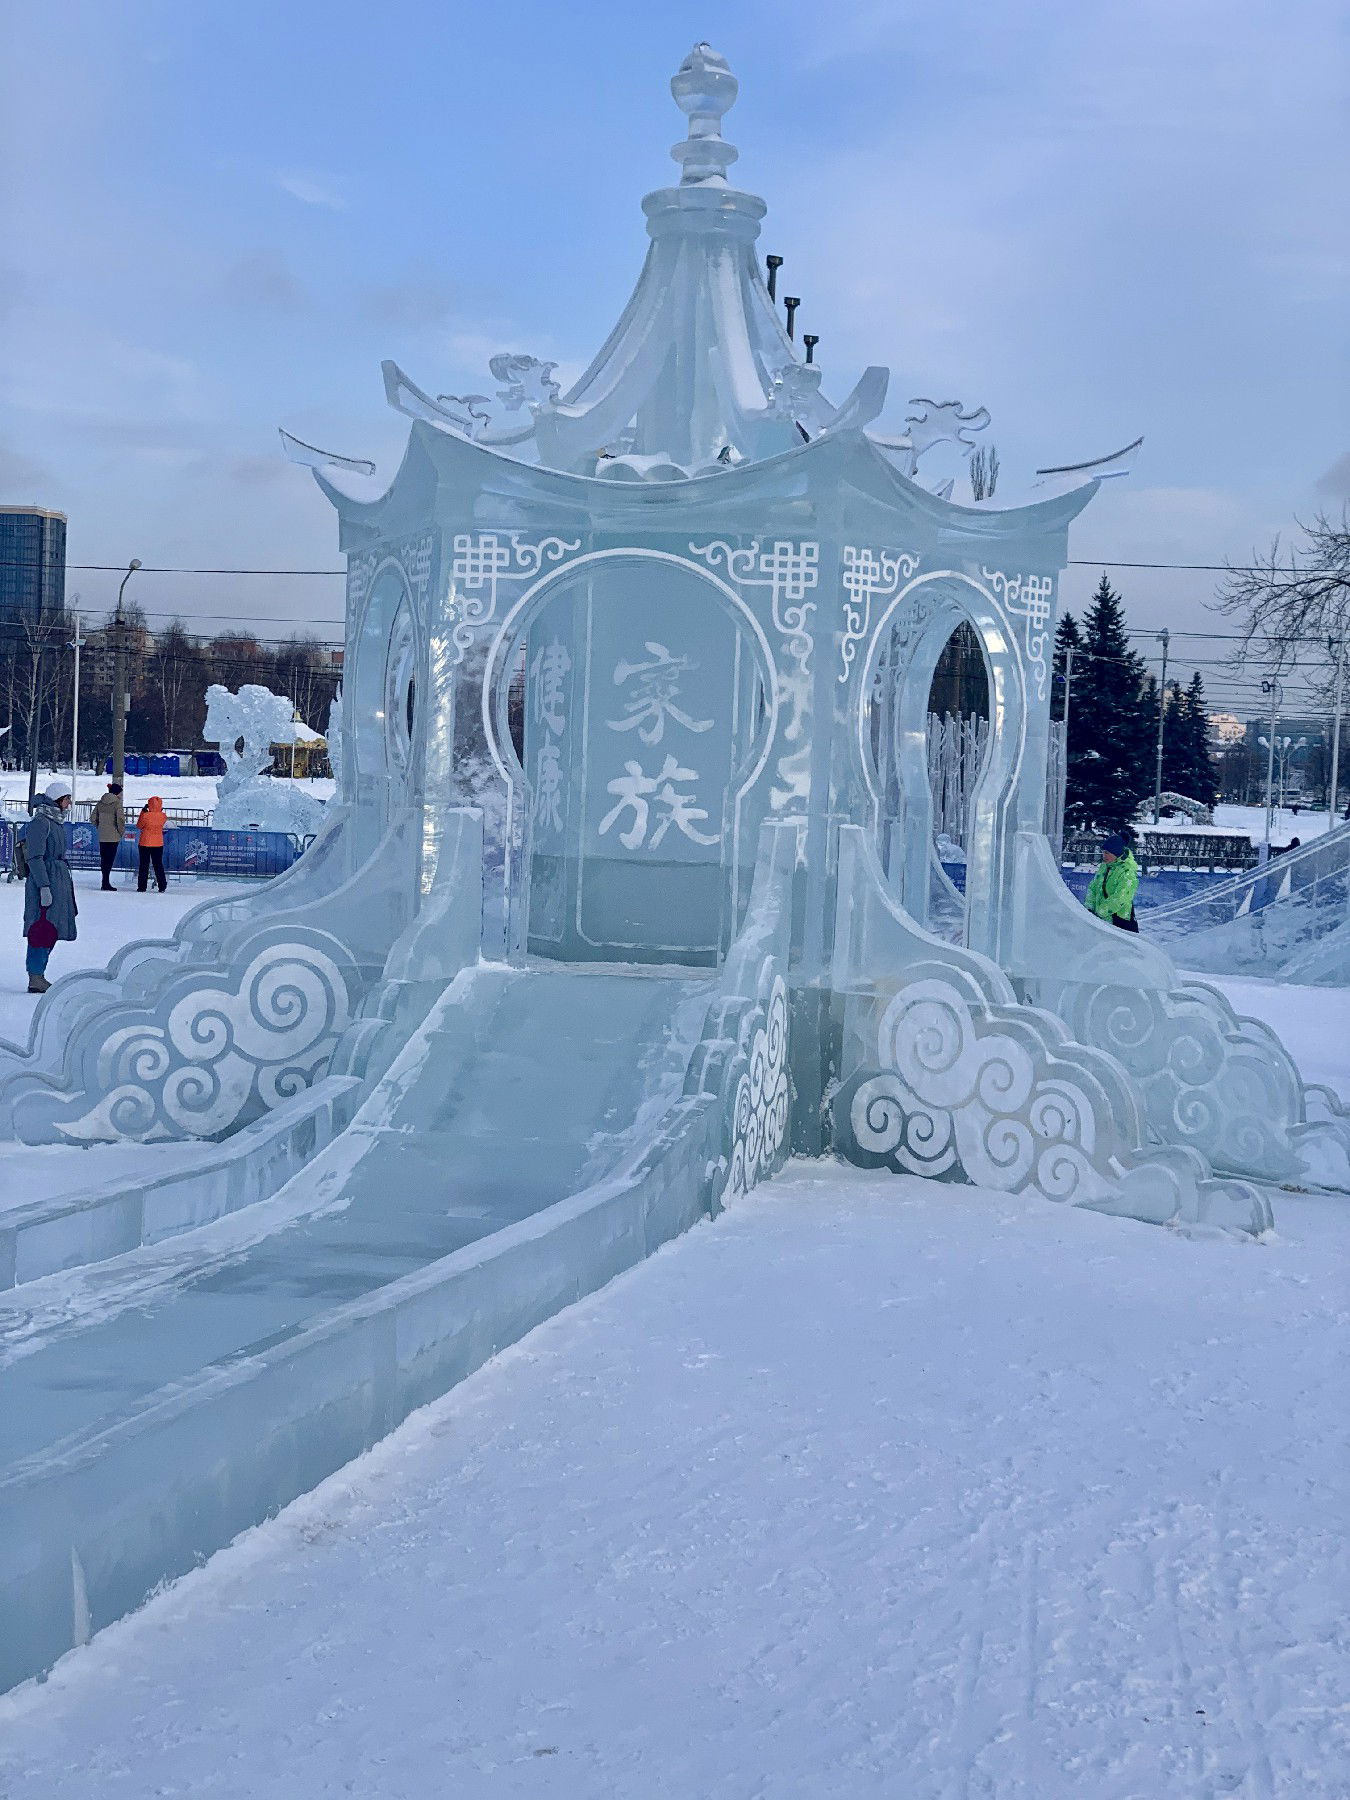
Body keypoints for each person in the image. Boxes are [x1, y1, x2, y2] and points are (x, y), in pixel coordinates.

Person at [22, 777, 77, 993]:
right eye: (67, 799)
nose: (69, 804)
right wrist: (44, 886)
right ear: (58, 800)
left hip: (58, 881)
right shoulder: (41, 822)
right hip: (45, 881)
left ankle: (39, 973)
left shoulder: (54, 821)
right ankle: (35, 976)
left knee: (52, 928)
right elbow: (35, 857)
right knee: (41, 928)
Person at [1084, 831, 1140, 932]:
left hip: (1120, 922)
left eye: (1107, 853)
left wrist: (1099, 912)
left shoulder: (1127, 872)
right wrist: (1089, 908)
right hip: (1101, 920)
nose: (1104, 856)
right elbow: (1093, 887)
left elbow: (1121, 898)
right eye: (1103, 852)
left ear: (1116, 853)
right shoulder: (1105, 866)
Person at [90, 779, 126, 890]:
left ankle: (104, 881)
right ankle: (106, 883)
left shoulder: (100, 803)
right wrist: (121, 832)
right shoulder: (117, 804)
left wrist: (100, 827)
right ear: (117, 793)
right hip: (113, 836)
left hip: (102, 836)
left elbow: (92, 818)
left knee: (104, 859)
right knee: (109, 860)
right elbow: (120, 820)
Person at [136, 794, 168, 892]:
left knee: (144, 865)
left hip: (145, 842)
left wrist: (143, 812)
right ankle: (162, 885)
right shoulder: (163, 816)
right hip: (158, 843)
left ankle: (142, 886)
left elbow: (139, 825)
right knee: (158, 864)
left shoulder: (145, 816)